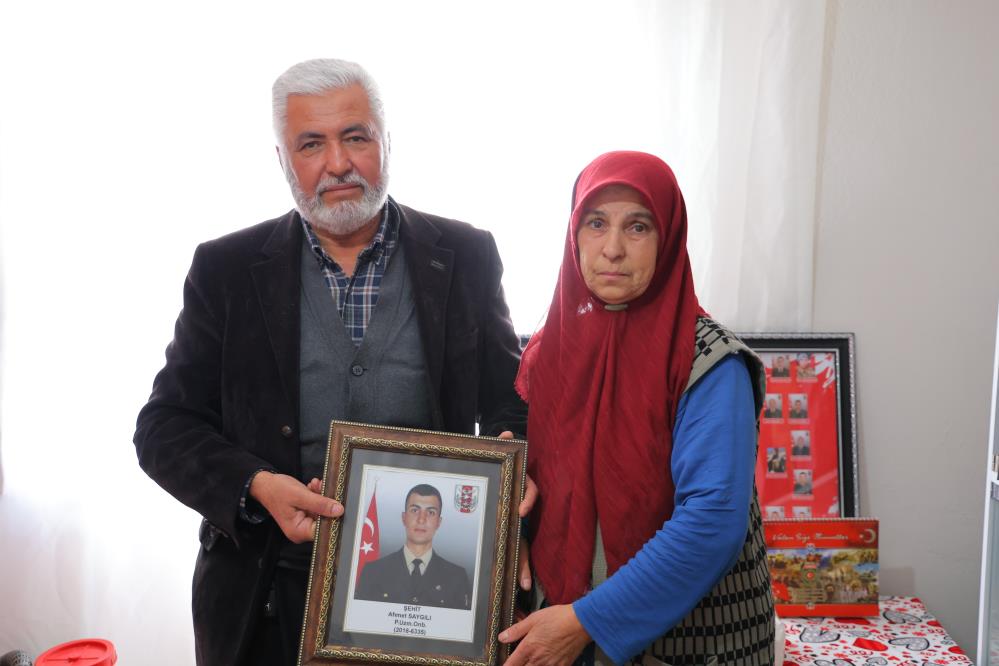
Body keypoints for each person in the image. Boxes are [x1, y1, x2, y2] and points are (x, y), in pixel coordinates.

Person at [133, 58, 527, 666]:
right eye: (311, 144)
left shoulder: (467, 254)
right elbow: (164, 427)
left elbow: (510, 401)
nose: (338, 164)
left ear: (387, 142)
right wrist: (256, 486)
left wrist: (509, 460)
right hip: (266, 595)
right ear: (283, 159)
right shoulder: (226, 269)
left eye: (356, 137)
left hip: (430, 604)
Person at [501, 152, 775, 665]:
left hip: (691, 644)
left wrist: (585, 620)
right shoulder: (553, 350)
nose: (612, 248)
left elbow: (712, 521)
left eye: (638, 226)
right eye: (596, 223)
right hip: (559, 633)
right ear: (574, 234)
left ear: (668, 238)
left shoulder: (710, 361)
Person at [355, 484, 472, 609]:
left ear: (438, 522)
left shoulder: (457, 577)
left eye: (431, 512)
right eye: (415, 510)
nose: (421, 520)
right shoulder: (373, 572)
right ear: (404, 518)